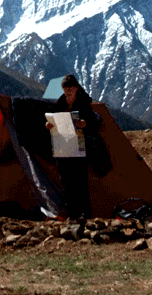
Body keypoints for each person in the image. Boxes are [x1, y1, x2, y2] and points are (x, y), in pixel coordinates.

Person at [45, 75, 103, 219]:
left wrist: (85, 124)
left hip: (79, 146)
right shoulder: (58, 104)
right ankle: (71, 214)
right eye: (65, 89)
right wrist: (48, 125)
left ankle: (85, 214)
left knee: (80, 182)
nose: (68, 92)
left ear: (76, 89)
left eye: (70, 89)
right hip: (62, 146)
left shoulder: (83, 105)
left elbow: (95, 123)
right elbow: (52, 119)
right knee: (66, 182)